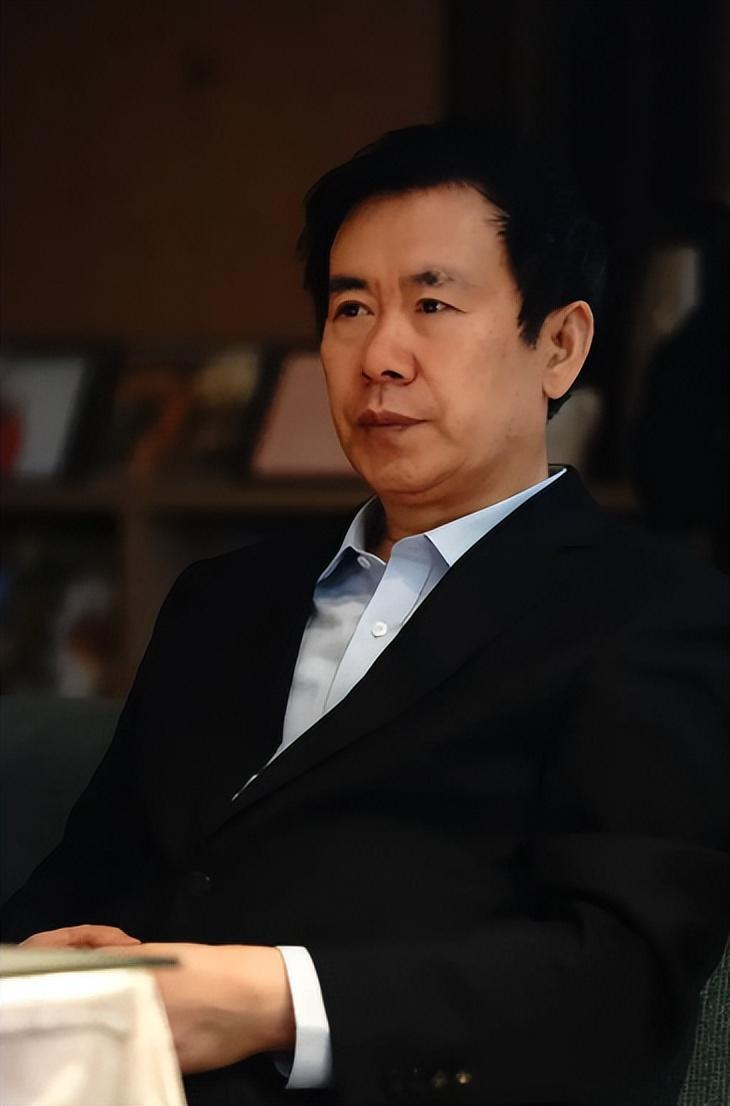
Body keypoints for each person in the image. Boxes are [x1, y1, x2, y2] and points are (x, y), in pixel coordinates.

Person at [2, 123, 729, 1106]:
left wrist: (275, 1001)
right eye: (351, 308)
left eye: (432, 304)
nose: (380, 355)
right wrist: (42, 966)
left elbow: (615, 984)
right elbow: (82, 876)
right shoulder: (223, 598)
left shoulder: (652, 617)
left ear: (559, 346)